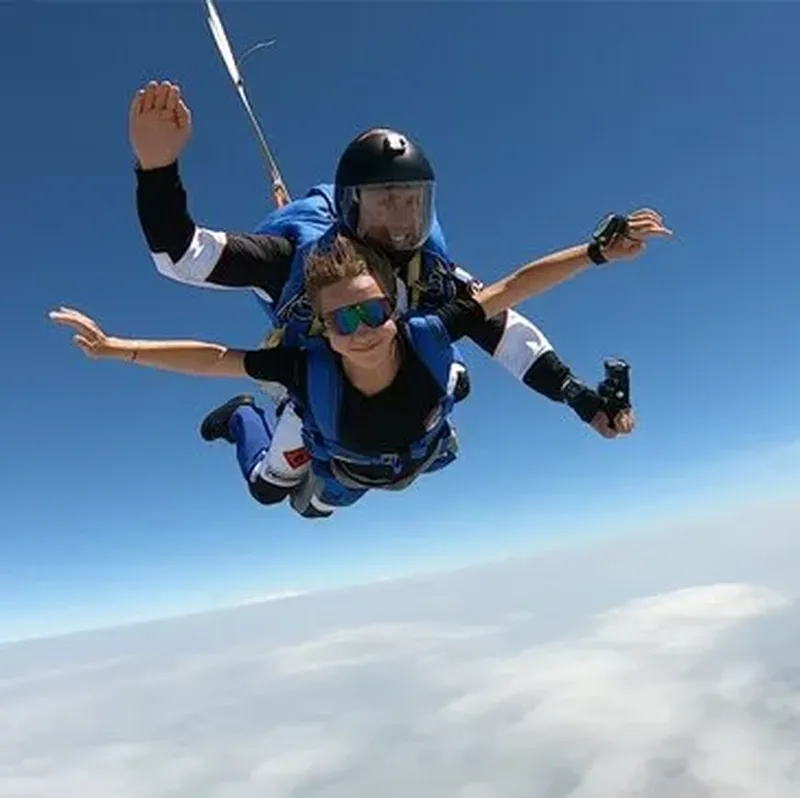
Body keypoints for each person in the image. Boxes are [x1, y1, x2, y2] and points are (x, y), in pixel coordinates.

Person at [128, 79, 672, 509]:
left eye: (414, 201)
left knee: (441, 393)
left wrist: (579, 398)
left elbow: (504, 324)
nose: (403, 221)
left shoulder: (428, 269)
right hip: (312, 383)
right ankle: (244, 415)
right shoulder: (293, 258)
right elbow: (183, 257)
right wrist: (158, 170)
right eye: (385, 201)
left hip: (386, 385)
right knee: (276, 492)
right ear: (349, 207)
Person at [50, 208, 668, 518]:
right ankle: (245, 419)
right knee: (285, 498)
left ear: (396, 307)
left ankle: (442, 401)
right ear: (321, 329)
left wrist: (595, 254)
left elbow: (511, 293)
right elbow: (213, 359)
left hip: (404, 444)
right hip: (342, 437)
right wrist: (116, 350)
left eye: (372, 313)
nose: (363, 331)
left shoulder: (428, 326)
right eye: (342, 322)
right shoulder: (305, 368)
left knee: (439, 404)